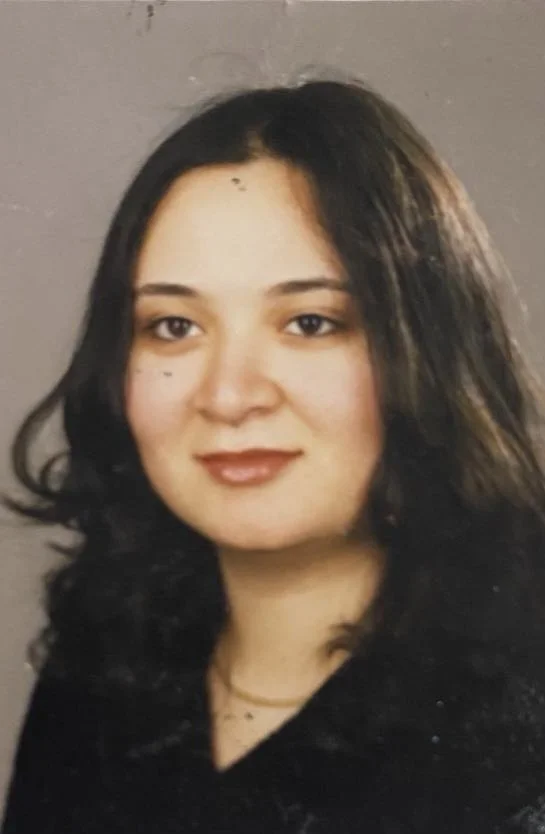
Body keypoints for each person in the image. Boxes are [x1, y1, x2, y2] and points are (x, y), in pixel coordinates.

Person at [2, 69, 545, 834]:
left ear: (428, 350)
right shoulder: (98, 669)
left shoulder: (519, 730)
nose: (228, 395)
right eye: (174, 327)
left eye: (310, 322)